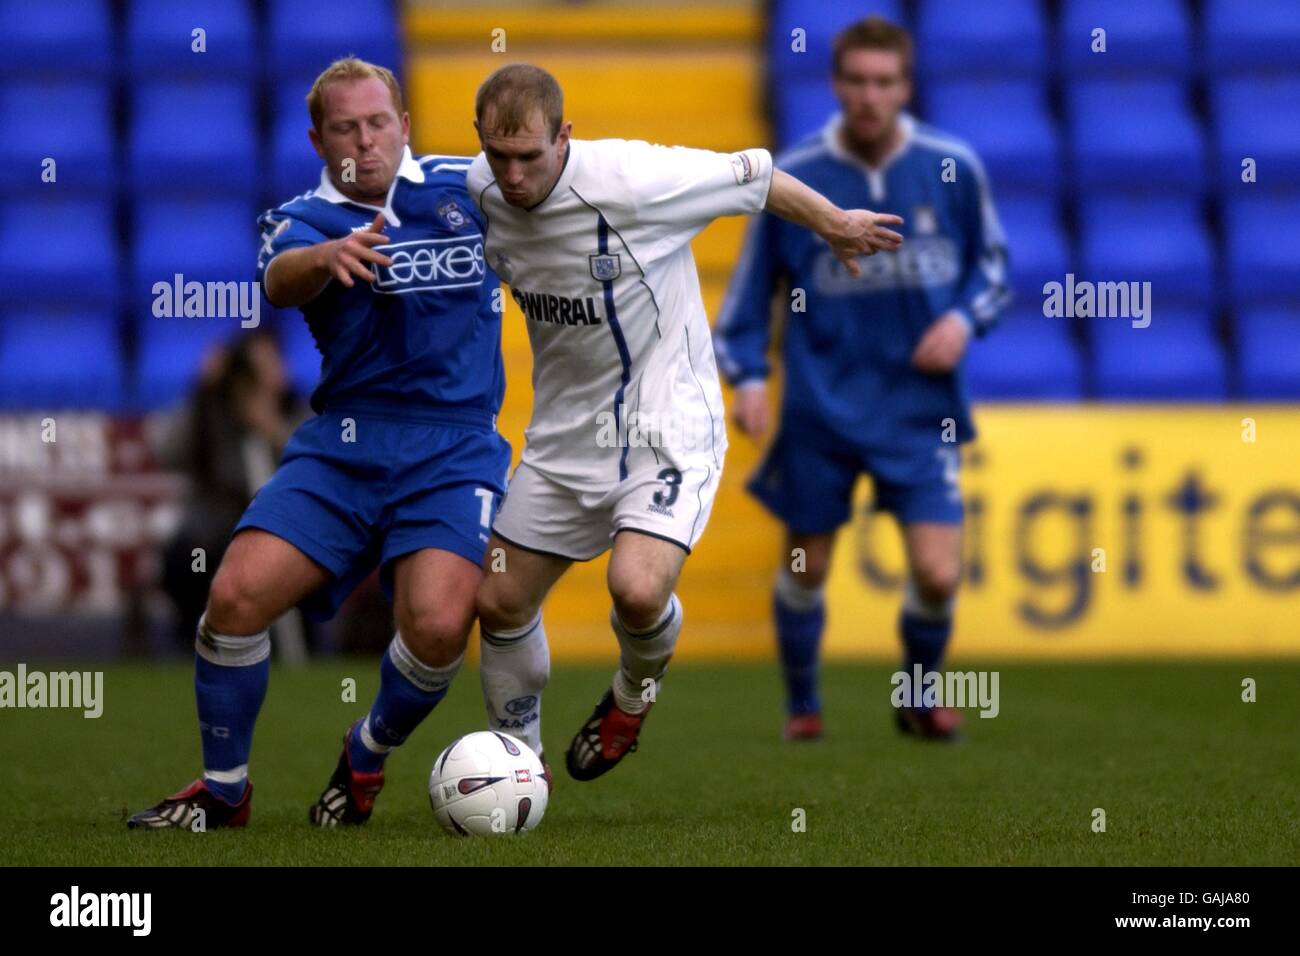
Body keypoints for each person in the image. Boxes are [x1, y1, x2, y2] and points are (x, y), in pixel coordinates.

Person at [466, 63, 904, 781]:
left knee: (637, 590)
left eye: (530, 157)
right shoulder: (477, 187)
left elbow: (755, 177)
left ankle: (632, 695)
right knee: (500, 598)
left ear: (564, 136)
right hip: (565, 437)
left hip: (666, 425)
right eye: (498, 155)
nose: (512, 176)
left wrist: (835, 224)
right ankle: (520, 763)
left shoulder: (634, 180)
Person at [128, 57, 513, 829]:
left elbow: (564, 184)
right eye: (346, 128)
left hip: (454, 447)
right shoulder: (303, 218)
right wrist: (325, 260)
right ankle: (224, 792)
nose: (365, 143)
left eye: (379, 124)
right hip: (344, 444)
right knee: (234, 597)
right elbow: (278, 279)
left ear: (405, 124)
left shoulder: (472, 187)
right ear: (318, 138)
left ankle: (366, 750)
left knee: (438, 626)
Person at [714, 17, 1011, 741]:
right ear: (836, 83)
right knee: (806, 566)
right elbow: (750, 293)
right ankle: (803, 707)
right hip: (822, 407)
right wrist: (749, 375)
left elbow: (994, 269)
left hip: (920, 409)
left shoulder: (951, 166)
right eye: (857, 80)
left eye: (885, 81)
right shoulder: (798, 173)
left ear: (906, 86)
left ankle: (916, 696)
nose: (871, 96)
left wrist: (965, 322)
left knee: (939, 575)